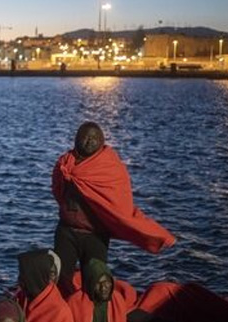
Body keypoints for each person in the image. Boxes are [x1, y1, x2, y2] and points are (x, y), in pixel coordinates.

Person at [51, 122, 176, 295]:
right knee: (60, 279)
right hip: (67, 231)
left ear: (102, 141)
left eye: (95, 138)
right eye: (85, 137)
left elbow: (120, 202)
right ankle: (64, 316)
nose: (89, 141)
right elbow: (58, 190)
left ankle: (95, 318)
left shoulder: (110, 167)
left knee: (95, 280)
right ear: (76, 139)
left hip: (95, 235)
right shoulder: (65, 163)